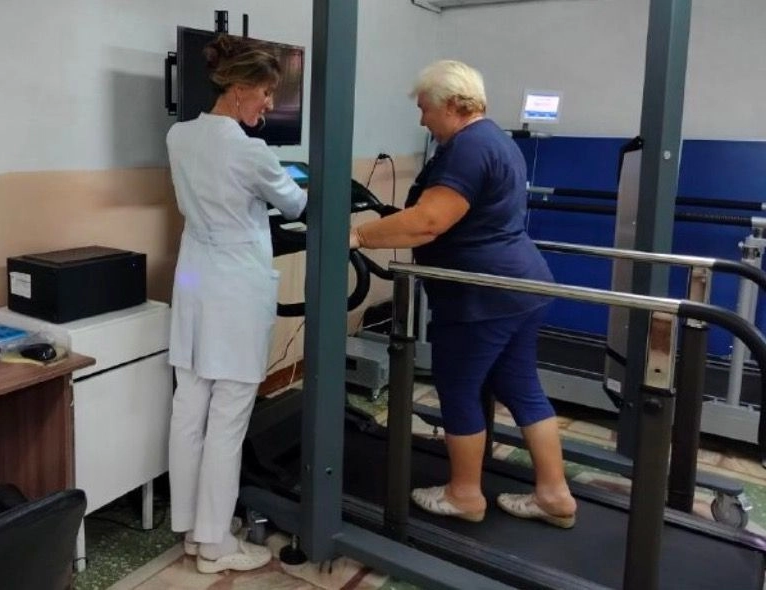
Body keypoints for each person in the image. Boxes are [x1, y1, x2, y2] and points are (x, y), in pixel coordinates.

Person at [349, 60, 577, 528]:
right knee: (522, 388)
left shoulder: (468, 148)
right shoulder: (496, 140)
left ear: (453, 104)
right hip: (521, 286)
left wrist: (355, 236)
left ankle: (465, 495)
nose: (422, 120)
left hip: (480, 297)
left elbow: (429, 222)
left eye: (425, 108)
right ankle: (555, 495)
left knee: (458, 388)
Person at [165, 34, 307, 573]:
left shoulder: (178, 135)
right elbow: (294, 202)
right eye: (266, 93)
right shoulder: (251, 151)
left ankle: (192, 530)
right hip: (234, 288)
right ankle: (216, 545)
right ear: (241, 88)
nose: (268, 105)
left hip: (194, 279)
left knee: (189, 407)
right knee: (228, 416)